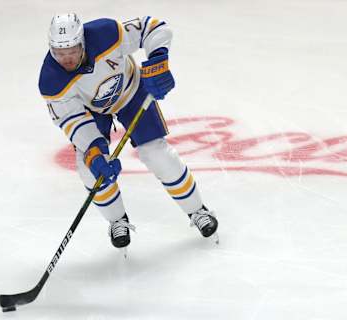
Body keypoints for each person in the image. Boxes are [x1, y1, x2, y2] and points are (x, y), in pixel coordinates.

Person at [39, 13, 218, 250]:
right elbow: (72, 119)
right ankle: (117, 220)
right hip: (93, 111)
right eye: (60, 53)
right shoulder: (51, 80)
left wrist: (158, 58)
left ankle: (197, 211)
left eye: (72, 50)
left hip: (132, 91)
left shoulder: (106, 33)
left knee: (156, 153)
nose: (67, 59)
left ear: (82, 41)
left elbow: (152, 27)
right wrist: (94, 149)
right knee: (90, 168)